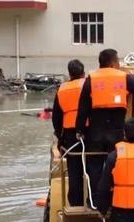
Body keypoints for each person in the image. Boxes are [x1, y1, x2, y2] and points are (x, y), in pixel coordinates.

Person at [75, 49, 134, 208]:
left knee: (94, 168)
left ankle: (94, 201)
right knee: (116, 166)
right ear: (113, 63)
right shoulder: (123, 77)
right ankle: (115, 198)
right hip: (116, 134)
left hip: (95, 133)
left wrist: (79, 130)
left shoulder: (91, 79)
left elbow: (83, 109)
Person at [51, 59, 86, 206]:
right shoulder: (88, 85)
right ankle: (93, 200)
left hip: (71, 138)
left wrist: (60, 138)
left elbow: (56, 118)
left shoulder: (62, 89)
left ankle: (75, 203)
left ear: (69, 74)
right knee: (93, 168)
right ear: (83, 72)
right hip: (89, 133)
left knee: (74, 171)